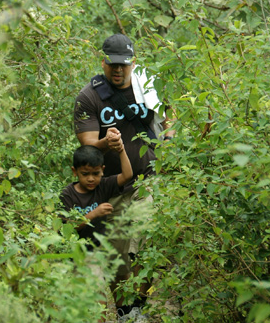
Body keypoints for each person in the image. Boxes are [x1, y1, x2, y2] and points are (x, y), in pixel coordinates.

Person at [73, 33, 176, 320]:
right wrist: (106, 143)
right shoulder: (89, 96)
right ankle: (124, 313)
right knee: (118, 261)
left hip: (147, 180)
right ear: (102, 60)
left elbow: (170, 115)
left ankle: (139, 309)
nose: (118, 70)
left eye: (124, 64)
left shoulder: (148, 84)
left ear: (133, 62)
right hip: (112, 187)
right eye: (112, 64)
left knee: (144, 243)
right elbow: (87, 142)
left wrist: (169, 135)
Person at [59, 141, 132, 322]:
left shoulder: (103, 185)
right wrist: (93, 214)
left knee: (118, 279)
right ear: (75, 171)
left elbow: (128, 175)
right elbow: (68, 227)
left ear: (103, 170)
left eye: (96, 174)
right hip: (83, 252)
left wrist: (121, 150)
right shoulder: (68, 194)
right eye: (85, 174)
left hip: (102, 249)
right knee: (96, 298)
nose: (91, 179)